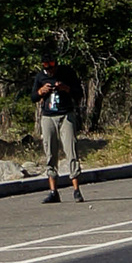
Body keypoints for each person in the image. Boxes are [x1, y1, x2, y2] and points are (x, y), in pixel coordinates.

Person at [32, 46, 83, 202]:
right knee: (50, 152)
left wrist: (65, 88)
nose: (50, 69)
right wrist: (41, 92)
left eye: (52, 65)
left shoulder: (67, 73)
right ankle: (53, 191)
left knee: (71, 150)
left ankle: (76, 189)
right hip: (48, 117)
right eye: (46, 66)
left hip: (65, 114)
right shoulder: (40, 77)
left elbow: (79, 93)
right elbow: (33, 97)